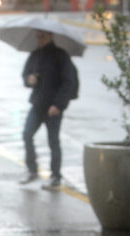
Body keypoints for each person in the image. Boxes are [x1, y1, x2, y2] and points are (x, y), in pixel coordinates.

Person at [19, 29, 78, 190]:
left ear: (51, 36)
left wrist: (58, 105)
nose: (40, 40)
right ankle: (32, 169)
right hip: (38, 104)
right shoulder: (35, 55)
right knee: (27, 134)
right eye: (38, 37)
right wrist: (29, 79)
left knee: (53, 141)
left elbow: (69, 82)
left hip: (53, 107)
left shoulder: (61, 56)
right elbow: (25, 75)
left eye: (43, 37)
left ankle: (55, 176)